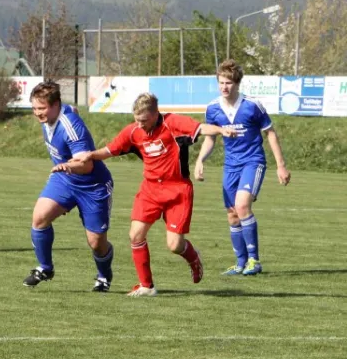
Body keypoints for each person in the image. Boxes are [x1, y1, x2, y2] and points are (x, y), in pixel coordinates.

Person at [73, 93, 236, 297]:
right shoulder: (133, 131)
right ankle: (147, 286)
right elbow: (110, 150)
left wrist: (221, 130)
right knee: (135, 235)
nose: (139, 125)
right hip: (150, 190)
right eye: (136, 120)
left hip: (178, 190)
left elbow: (200, 128)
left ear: (155, 114)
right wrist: (90, 155)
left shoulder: (173, 122)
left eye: (143, 120)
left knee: (175, 245)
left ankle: (193, 257)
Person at [194, 59, 291, 276]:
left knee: (242, 205)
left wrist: (281, 166)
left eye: (228, 83)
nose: (224, 87)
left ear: (237, 84)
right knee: (232, 215)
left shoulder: (252, 106)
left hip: (253, 161)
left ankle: (254, 261)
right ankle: (240, 263)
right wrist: (200, 160)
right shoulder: (213, 109)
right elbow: (210, 138)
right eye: (221, 82)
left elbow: (270, 133)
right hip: (230, 166)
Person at [24, 81, 115, 293]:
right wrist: (65, 169)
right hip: (64, 179)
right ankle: (45, 268)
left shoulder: (71, 127)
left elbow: (87, 165)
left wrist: (68, 166)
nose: (38, 113)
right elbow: (71, 108)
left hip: (93, 185)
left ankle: (103, 276)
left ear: (55, 105)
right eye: (34, 108)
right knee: (39, 217)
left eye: (42, 108)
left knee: (96, 243)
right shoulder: (55, 113)